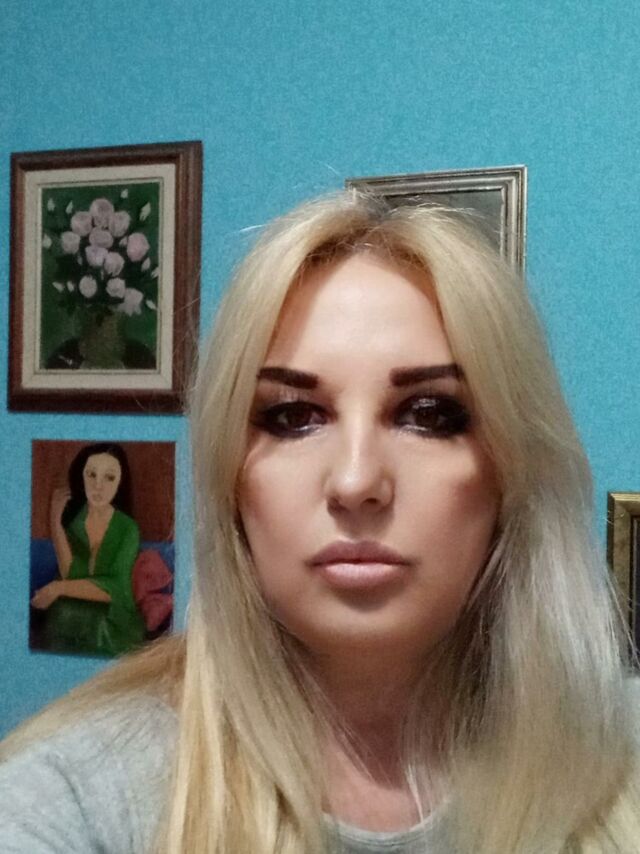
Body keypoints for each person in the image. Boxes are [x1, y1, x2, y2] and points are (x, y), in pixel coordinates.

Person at [1, 190, 639, 852]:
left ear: (512, 468)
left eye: (428, 414)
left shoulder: (621, 758)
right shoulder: (73, 801)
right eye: (292, 416)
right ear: (230, 477)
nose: (356, 482)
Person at [30, 442, 146, 657]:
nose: (98, 486)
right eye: (91, 474)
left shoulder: (128, 528)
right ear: (81, 476)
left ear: (120, 481)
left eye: (109, 477)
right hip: (74, 614)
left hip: (114, 618)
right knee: (62, 616)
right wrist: (55, 522)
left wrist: (58, 588)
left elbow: (117, 589)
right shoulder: (75, 522)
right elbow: (70, 574)